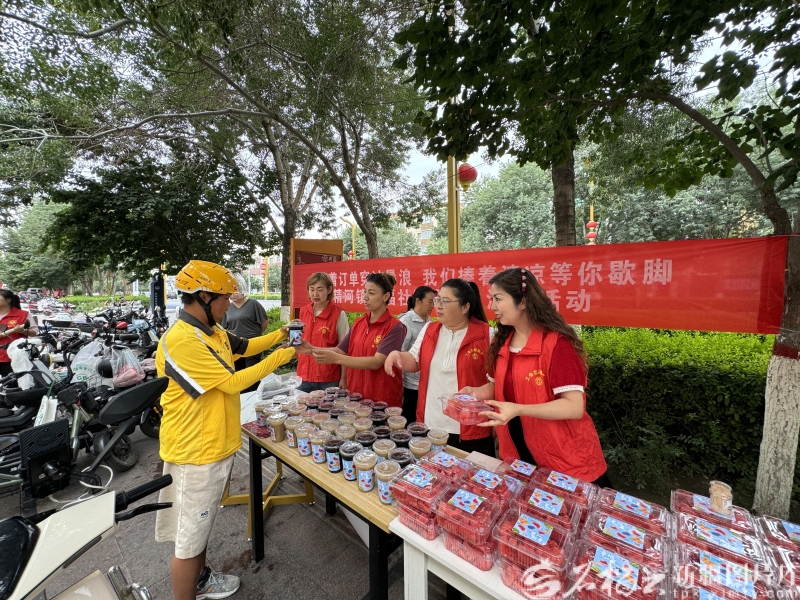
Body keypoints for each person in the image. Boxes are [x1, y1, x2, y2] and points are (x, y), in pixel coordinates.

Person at [154, 260, 301, 600]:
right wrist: (283, 356)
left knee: (199, 528)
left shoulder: (213, 331)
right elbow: (232, 383)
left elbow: (245, 347)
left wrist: (280, 335)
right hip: (194, 453)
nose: (229, 304)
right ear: (204, 296)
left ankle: (202, 579)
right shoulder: (183, 340)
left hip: (214, 445)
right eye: (224, 298)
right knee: (188, 541)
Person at [465, 267, 610, 486]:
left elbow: (574, 406)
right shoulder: (502, 342)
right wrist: (474, 393)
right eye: (491, 299)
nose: (492, 306)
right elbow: (497, 386)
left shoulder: (557, 344)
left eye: (498, 299)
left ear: (523, 301)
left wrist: (519, 409)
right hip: (517, 451)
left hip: (564, 456)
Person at [384, 279, 494, 455]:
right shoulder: (430, 329)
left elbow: (496, 382)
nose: (439, 306)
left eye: (445, 301)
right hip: (432, 422)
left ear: (465, 307)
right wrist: (397, 356)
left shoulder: (487, 334)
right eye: (437, 300)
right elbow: (415, 360)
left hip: (469, 426)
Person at [307, 272, 406, 406]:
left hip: (381, 398)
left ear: (386, 296)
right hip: (356, 395)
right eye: (365, 292)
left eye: (371, 293)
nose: (365, 297)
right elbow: (339, 350)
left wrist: (337, 359)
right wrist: (309, 349)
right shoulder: (359, 323)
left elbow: (376, 362)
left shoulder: (395, 327)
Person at [296, 272, 349, 392]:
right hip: (303, 376)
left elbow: (345, 349)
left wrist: (344, 378)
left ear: (329, 289)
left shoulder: (339, 314)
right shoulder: (303, 311)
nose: (315, 294)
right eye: (312, 289)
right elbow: (298, 342)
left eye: (320, 289)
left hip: (329, 377)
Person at [397, 286, 437, 421]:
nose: (433, 306)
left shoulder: (430, 322)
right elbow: (400, 352)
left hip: (425, 379)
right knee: (410, 415)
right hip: (410, 382)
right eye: (430, 302)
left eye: (434, 302)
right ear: (418, 301)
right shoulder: (405, 321)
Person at [221, 286, 269, 392]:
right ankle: (243, 397)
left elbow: (264, 322)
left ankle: (255, 395)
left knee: (253, 374)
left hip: (252, 343)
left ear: (243, 292)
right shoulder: (228, 307)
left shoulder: (253, 304)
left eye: (236, 292)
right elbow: (225, 327)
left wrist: (257, 333)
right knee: (239, 374)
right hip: (235, 346)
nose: (233, 295)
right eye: (230, 293)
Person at [0, 289, 37, 378]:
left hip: (12, 358)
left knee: (11, 384)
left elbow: (35, 332)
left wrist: (22, 331)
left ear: (8, 299)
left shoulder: (23, 315)